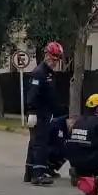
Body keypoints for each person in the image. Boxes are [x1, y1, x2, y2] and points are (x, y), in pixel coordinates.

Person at [23, 41, 64, 186]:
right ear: (47, 55)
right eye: (54, 58)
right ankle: (38, 174)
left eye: (57, 59)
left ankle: (29, 172)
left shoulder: (49, 73)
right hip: (37, 113)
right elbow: (33, 94)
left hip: (45, 113)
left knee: (35, 143)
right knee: (40, 144)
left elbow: (50, 96)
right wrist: (32, 111)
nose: (55, 62)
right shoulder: (39, 73)